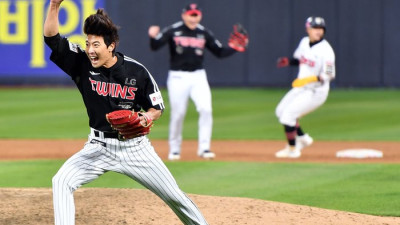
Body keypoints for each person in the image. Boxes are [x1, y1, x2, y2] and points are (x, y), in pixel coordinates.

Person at [44, 1, 209, 224]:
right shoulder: (81, 63)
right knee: (61, 181)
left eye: (96, 45)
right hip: (97, 147)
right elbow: (52, 38)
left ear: (111, 46)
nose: (90, 50)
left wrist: (146, 117)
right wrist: (54, 5)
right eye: (87, 44)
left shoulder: (137, 71)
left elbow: (156, 107)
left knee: (174, 196)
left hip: (135, 149)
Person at [148, 3, 248, 161]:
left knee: (206, 109)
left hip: (198, 76)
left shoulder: (204, 32)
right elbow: (155, 46)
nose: (193, 17)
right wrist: (153, 36)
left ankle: (204, 148)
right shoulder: (173, 30)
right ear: (184, 15)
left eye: (196, 15)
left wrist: (235, 48)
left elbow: (220, 52)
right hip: (178, 77)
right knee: (178, 113)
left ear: (200, 15)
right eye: (191, 14)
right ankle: (174, 149)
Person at [274, 16, 335, 158]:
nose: (318, 31)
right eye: (315, 28)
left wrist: (310, 79)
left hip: (316, 91)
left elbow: (329, 75)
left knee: (288, 116)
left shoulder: (327, 51)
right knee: (280, 111)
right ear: (308, 29)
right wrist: (288, 61)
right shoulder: (304, 42)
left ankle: (292, 149)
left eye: (321, 29)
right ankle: (302, 138)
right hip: (302, 88)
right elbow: (300, 59)